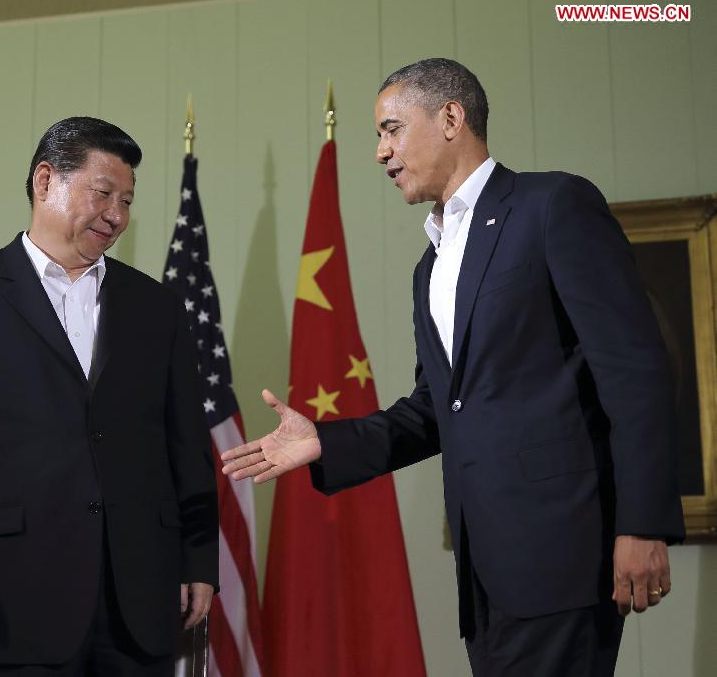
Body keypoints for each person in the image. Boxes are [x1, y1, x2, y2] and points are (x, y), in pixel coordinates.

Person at [221, 59, 684, 676]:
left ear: (450, 118)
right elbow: (436, 410)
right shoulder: (428, 268)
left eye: (390, 130)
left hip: (566, 555)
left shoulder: (553, 206)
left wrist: (643, 524)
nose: (381, 153)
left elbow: (635, 370)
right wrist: (325, 443)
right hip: (485, 574)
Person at [0, 116, 218, 677]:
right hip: (9, 598)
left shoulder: (157, 307)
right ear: (46, 180)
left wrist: (198, 560)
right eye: (104, 193)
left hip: (140, 603)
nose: (117, 215)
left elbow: (185, 447)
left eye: (128, 200)